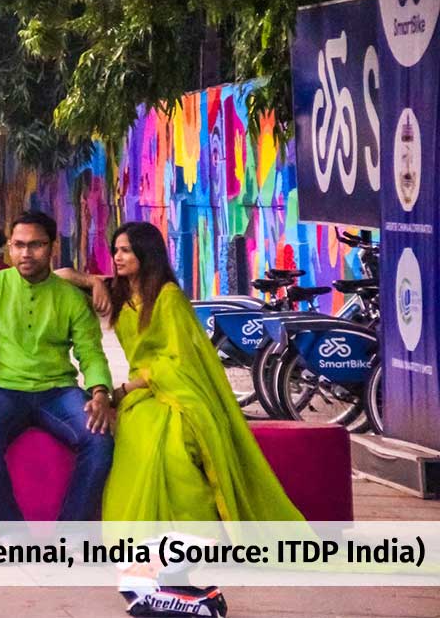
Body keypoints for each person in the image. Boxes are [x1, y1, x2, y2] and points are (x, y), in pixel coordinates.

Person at [58, 222, 304, 522]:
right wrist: (92, 281)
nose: (117, 257)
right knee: (136, 438)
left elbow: (177, 360)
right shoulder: (116, 293)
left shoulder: (168, 296)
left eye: (126, 251)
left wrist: (124, 390)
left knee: (172, 450)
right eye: (116, 251)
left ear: (146, 254)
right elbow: (59, 276)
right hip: (143, 394)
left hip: (176, 391)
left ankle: (194, 532)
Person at [0, 210, 114, 522]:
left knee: (99, 441)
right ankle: (11, 534)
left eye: (35, 245)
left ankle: (71, 535)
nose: (26, 253)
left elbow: (91, 353)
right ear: (10, 247)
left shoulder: (69, 297)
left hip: (58, 392)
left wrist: (100, 393)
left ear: (52, 247)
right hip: (3, 389)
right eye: (18, 245)